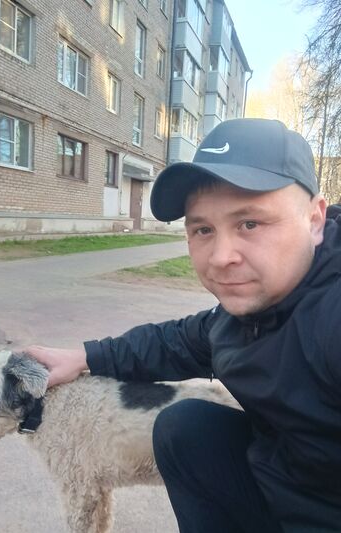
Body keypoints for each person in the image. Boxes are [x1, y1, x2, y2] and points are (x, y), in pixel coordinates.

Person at [27, 118, 341, 533]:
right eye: (203, 229)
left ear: (314, 220)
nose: (221, 257)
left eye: (250, 223)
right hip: (281, 481)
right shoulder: (246, 311)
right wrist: (84, 357)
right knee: (184, 427)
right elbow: (177, 341)